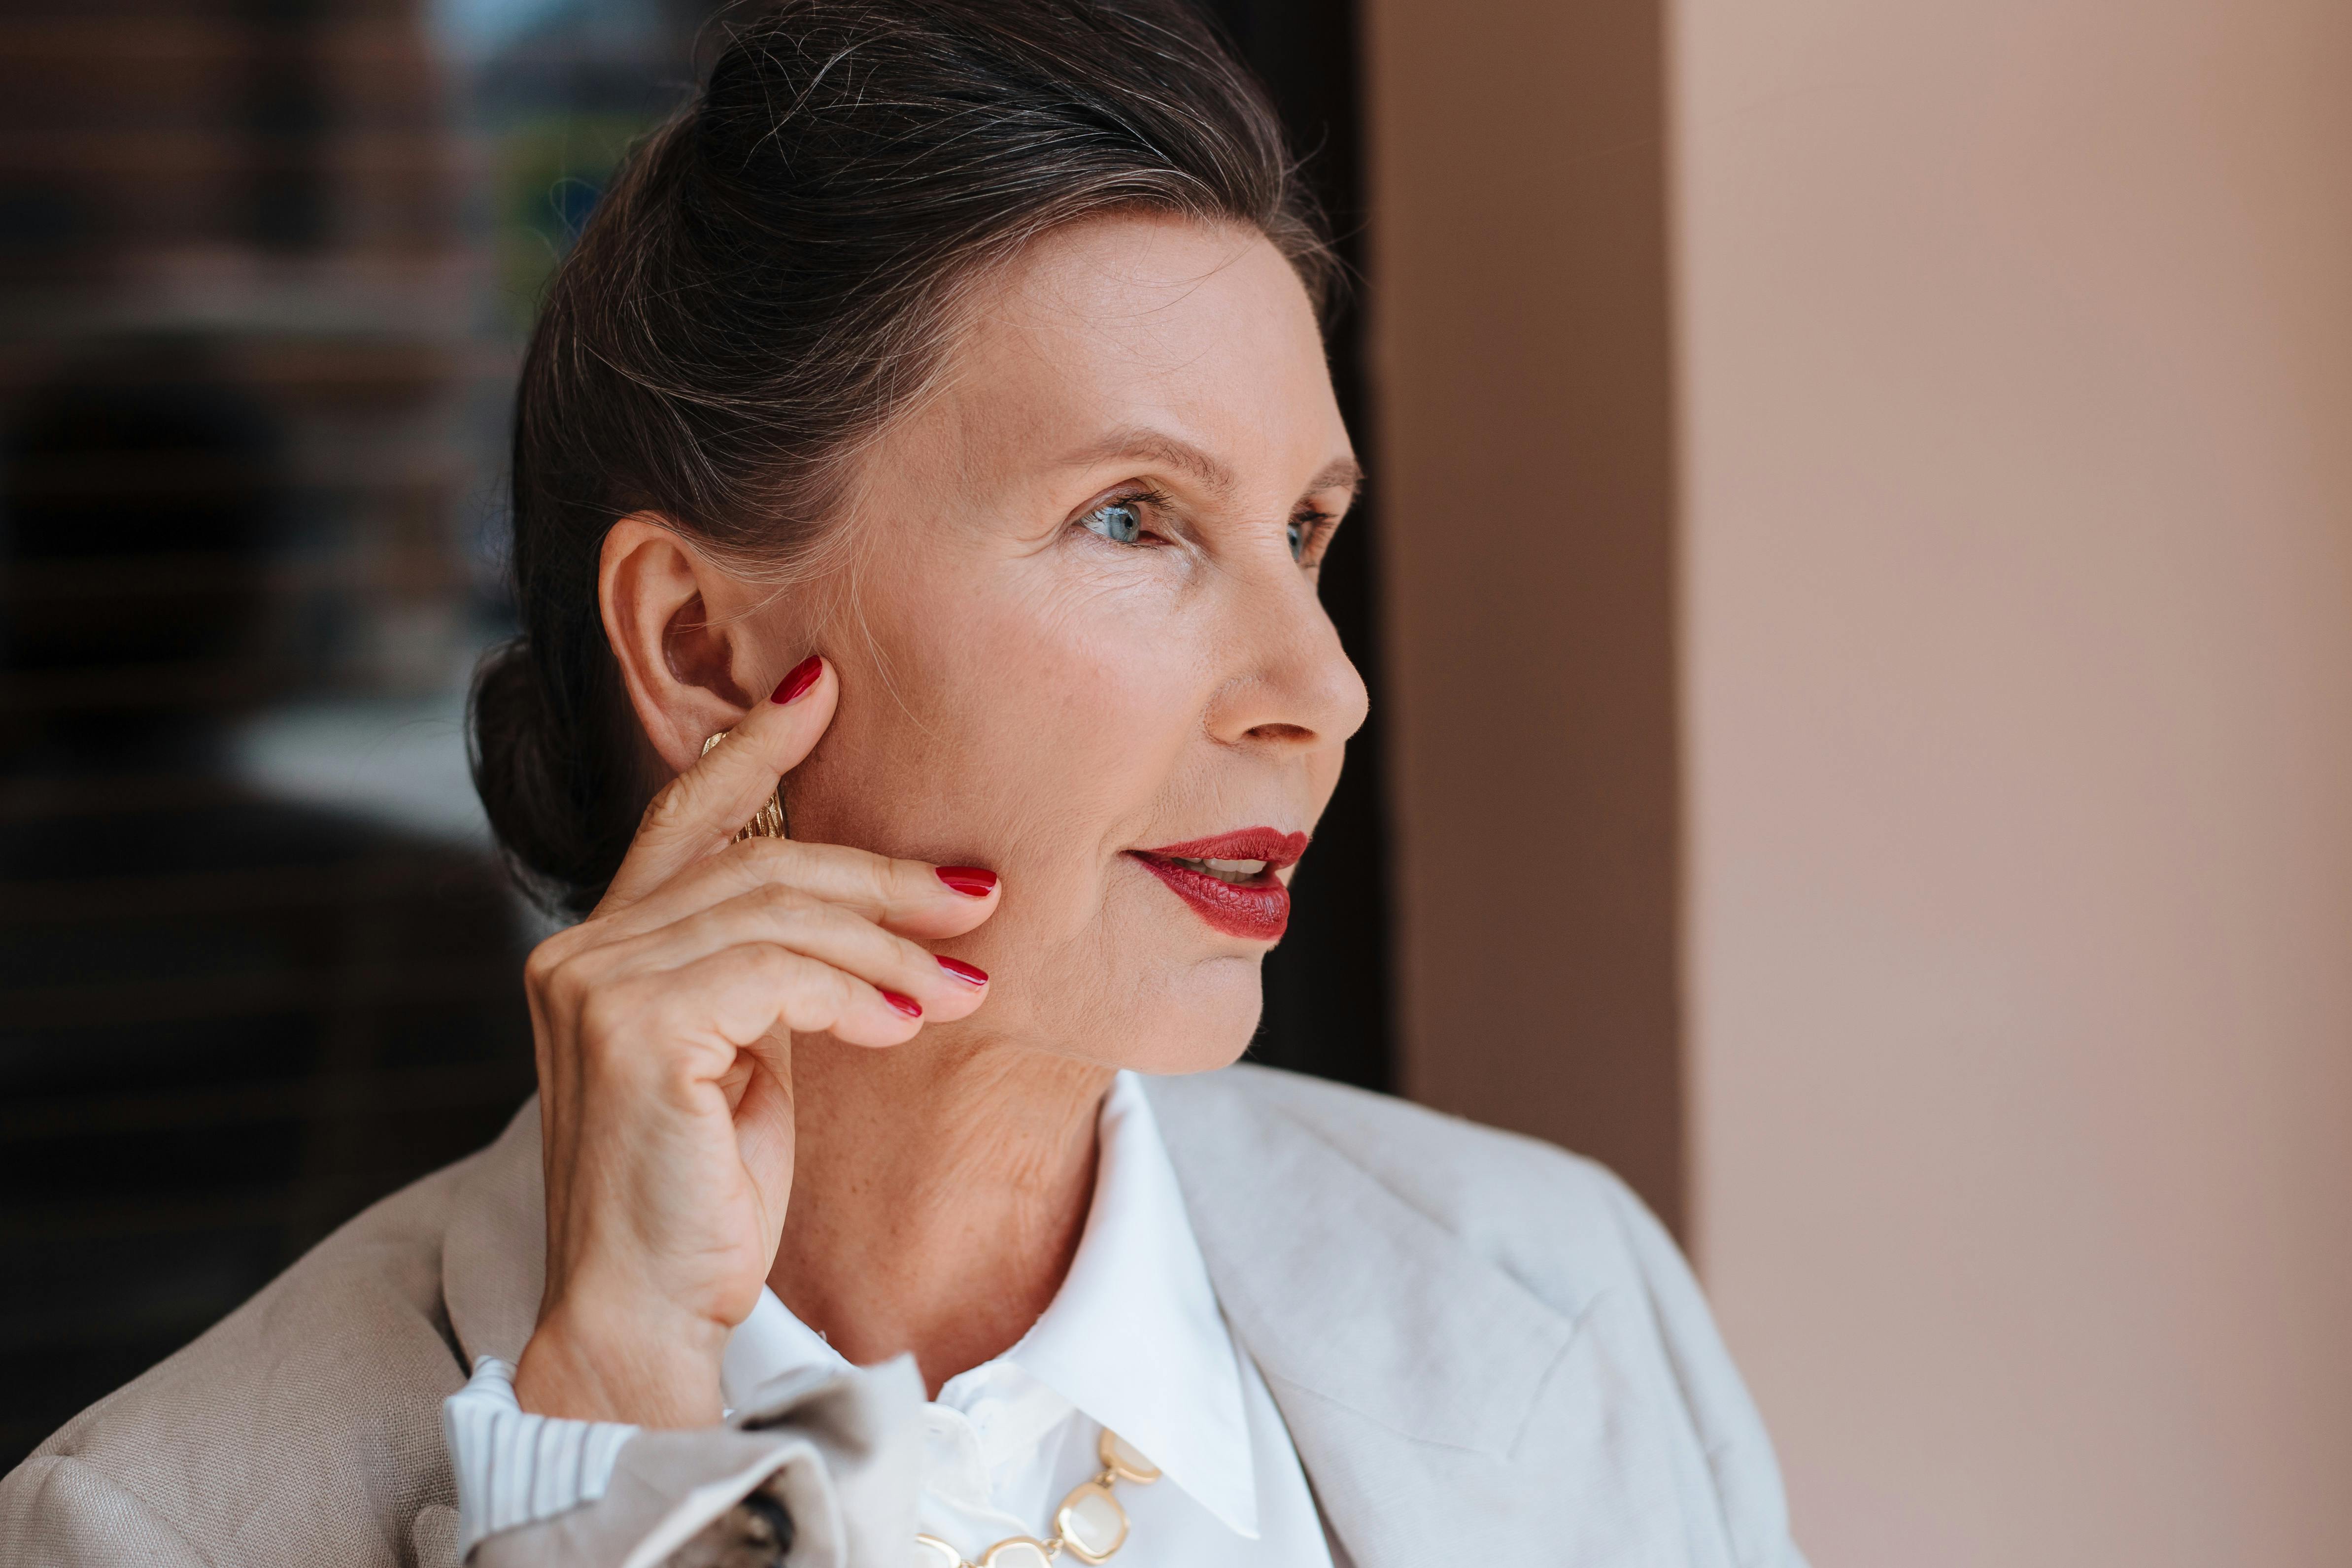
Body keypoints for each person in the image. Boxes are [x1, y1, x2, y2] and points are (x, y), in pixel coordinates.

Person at [0, 2, 1807, 1564]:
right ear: (701, 647)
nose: (1321, 693)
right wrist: (614, 1417)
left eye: (1305, 531)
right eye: (1132, 518)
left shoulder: (1573, 1293)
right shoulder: (146, 1527)